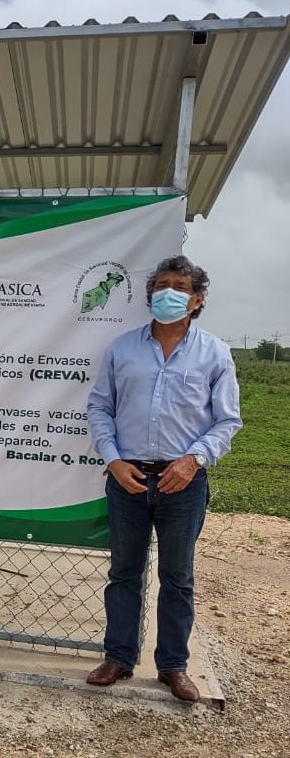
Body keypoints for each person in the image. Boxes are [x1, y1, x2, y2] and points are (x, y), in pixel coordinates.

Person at [86, 255, 242, 702]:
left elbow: (227, 420)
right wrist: (114, 460)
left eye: (178, 285)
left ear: (197, 299)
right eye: (159, 284)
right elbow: (100, 407)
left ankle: (173, 667)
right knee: (124, 573)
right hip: (128, 478)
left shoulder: (215, 352)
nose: (166, 291)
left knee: (178, 578)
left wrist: (192, 461)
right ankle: (118, 658)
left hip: (183, 483)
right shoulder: (122, 348)